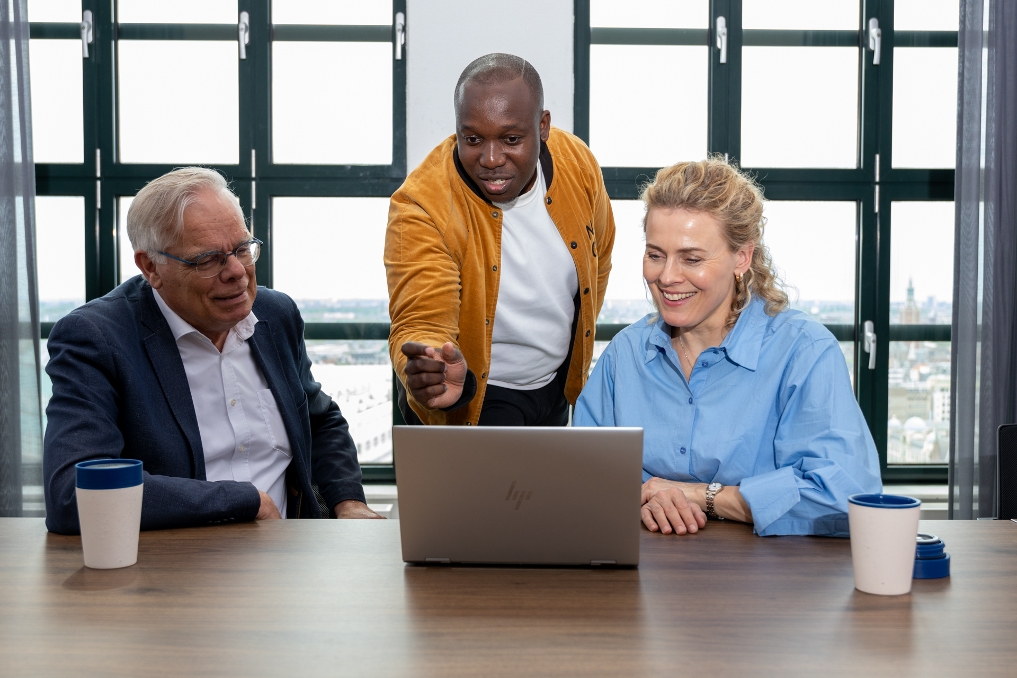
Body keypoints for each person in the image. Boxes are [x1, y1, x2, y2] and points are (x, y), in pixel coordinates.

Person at [43, 167, 382, 535]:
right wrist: (244, 500)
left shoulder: (276, 315)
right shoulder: (96, 338)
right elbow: (73, 495)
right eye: (207, 260)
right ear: (151, 267)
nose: (237, 271)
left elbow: (320, 420)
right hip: (180, 572)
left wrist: (349, 503)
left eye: (242, 249)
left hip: (292, 563)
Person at [574, 158, 881, 537]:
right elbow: (581, 479)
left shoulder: (804, 352)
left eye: (692, 258)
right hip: (644, 580)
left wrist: (702, 496)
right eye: (656, 255)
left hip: (770, 586)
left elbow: (847, 494)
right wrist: (644, 497)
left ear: (742, 257)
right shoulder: (624, 355)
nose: (667, 277)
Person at [386, 53, 615, 426]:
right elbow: (420, 318)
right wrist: (433, 366)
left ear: (543, 127)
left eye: (511, 139)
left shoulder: (577, 163)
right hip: (469, 396)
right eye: (472, 139)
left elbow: (599, 259)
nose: (491, 159)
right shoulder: (421, 204)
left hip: (554, 389)